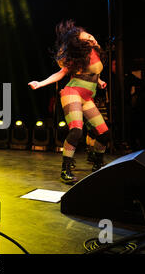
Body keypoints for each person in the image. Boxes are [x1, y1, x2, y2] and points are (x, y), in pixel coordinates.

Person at [29, 20, 110, 185]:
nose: (90, 39)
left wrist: (99, 81)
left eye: (89, 36)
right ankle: (65, 169)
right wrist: (41, 83)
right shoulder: (78, 56)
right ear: (80, 44)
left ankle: (97, 162)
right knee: (76, 131)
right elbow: (60, 74)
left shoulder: (95, 51)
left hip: (87, 97)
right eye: (86, 39)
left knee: (104, 133)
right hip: (73, 92)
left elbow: (92, 72)